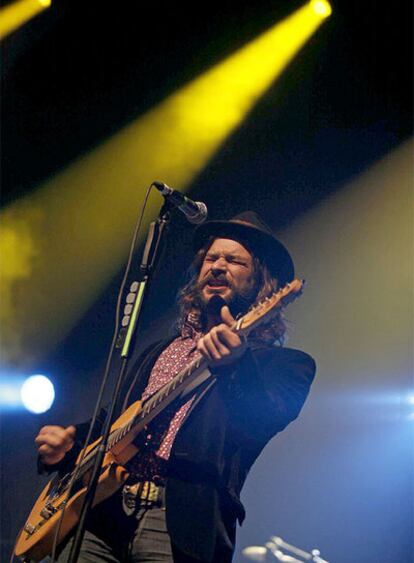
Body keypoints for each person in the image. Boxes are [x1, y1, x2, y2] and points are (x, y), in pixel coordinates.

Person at [35, 211, 316, 563]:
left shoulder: (286, 365)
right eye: (211, 258)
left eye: (233, 260)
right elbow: (117, 421)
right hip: (101, 511)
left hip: (176, 520)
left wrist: (235, 366)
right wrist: (71, 440)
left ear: (262, 283)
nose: (217, 266)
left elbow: (262, 420)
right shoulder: (161, 349)